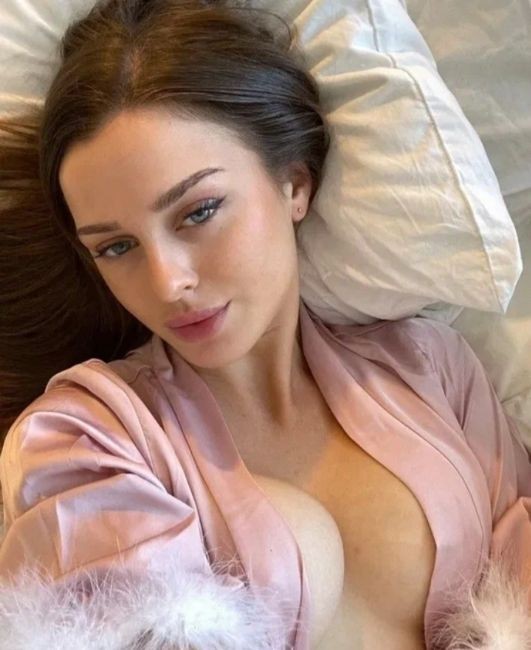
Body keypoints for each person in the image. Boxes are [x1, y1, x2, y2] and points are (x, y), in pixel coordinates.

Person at [0, 1, 529, 648]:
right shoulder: (81, 439)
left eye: (199, 212)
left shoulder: (431, 367)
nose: (167, 283)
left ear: (294, 186)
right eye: (116, 247)